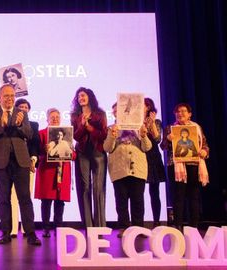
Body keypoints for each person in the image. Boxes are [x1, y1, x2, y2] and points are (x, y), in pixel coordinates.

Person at [0, 84, 41, 246]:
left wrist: (20, 125)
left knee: (25, 199)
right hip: (1, 162)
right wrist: (1, 126)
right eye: (6, 96)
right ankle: (5, 234)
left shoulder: (21, 113)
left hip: (21, 160)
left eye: (12, 96)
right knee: (4, 199)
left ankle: (31, 234)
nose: (9, 98)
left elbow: (29, 135)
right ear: (0, 97)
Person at [104, 103, 151, 237]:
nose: (115, 113)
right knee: (121, 201)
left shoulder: (138, 126)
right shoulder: (111, 128)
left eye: (117, 111)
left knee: (138, 200)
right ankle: (124, 228)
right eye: (113, 112)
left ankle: (138, 228)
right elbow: (107, 148)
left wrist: (143, 135)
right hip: (119, 169)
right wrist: (112, 135)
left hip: (137, 168)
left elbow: (147, 147)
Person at [161, 103, 209, 229]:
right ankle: (178, 226)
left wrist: (204, 151)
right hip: (176, 167)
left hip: (194, 165)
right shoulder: (170, 128)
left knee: (194, 196)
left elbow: (204, 144)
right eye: (177, 111)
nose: (180, 114)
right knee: (178, 197)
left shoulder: (196, 128)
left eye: (183, 111)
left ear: (189, 114)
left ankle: (194, 227)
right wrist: (168, 139)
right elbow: (163, 146)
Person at [70, 87, 108, 228]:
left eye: (83, 95)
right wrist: (82, 125)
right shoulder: (75, 115)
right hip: (82, 154)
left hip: (98, 152)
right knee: (84, 188)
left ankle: (100, 227)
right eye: (79, 96)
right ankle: (88, 226)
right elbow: (75, 136)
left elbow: (104, 135)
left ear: (89, 97)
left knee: (98, 189)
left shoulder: (100, 114)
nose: (81, 98)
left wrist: (90, 128)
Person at [35, 108, 75, 238]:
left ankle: (58, 227)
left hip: (62, 171)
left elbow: (73, 155)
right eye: (52, 117)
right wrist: (43, 149)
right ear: (47, 119)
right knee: (46, 201)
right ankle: (45, 228)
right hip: (47, 171)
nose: (55, 119)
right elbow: (36, 152)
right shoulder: (41, 133)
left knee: (60, 201)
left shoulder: (67, 134)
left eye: (57, 116)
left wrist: (70, 152)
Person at [10, 98, 39, 238]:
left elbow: (35, 144)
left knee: (25, 196)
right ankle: (13, 228)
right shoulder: (11, 123)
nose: (23, 109)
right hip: (11, 164)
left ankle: (27, 228)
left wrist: (33, 159)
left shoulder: (33, 125)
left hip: (28, 164)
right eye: (20, 106)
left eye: (26, 107)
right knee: (12, 197)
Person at [143, 98, 167, 227]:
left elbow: (157, 139)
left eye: (143, 105)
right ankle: (138, 222)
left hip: (153, 156)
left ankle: (156, 221)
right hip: (139, 155)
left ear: (148, 107)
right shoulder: (135, 121)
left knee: (154, 191)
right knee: (138, 192)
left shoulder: (156, 121)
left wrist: (151, 123)